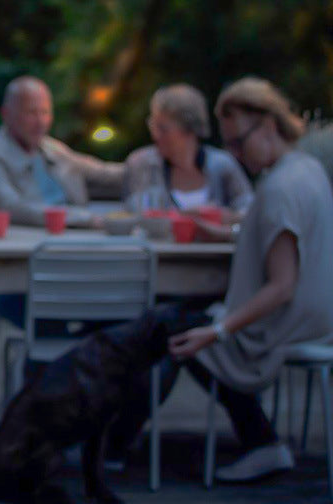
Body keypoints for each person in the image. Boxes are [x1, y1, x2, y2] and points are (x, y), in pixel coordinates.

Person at [129, 77, 333, 481]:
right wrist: (228, 234)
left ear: (270, 125)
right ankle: (259, 440)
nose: (235, 155)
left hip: (287, 323)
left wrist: (219, 330)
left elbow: (281, 285)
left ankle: (261, 444)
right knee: (185, 323)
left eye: (239, 142)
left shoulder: (279, 189)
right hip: (320, 315)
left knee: (178, 332)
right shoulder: (307, 169)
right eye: (230, 146)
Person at [0, 76, 125, 227]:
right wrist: (82, 218)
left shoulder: (52, 148)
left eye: (45, 112)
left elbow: (103, 172)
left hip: (75, 234)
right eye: (31, 112)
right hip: (31, 241)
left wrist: (142, 163)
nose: (40, 122)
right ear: (6, 114)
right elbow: (11, 207)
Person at [125, 83, 253, 240]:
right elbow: (134, 217)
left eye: (163, 129)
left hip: (215, 259)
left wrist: (223, 218)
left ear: (189, 131)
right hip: (161, 258)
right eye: (153, 126)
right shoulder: (144, 164)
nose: (155, 136)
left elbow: (251, 212)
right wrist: (182, 216)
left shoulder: (222, 165)